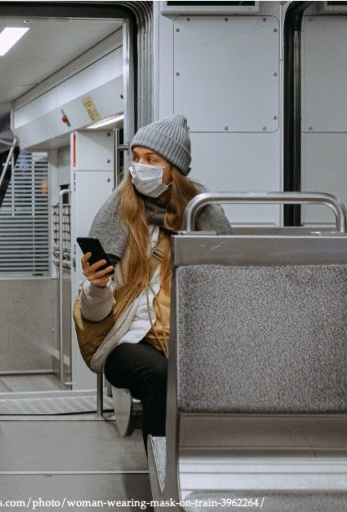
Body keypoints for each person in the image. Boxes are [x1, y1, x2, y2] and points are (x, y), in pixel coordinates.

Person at [72, 114, 230, 448]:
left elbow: (225, 286)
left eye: (151, 159)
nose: (139, 166)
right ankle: (163, 473)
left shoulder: (202, 214)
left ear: (174, 168)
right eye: (136, 158)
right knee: (159, 376)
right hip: (128, 340)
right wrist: (96, 287)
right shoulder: (118, 212)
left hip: (189, 337)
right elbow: (96, 315)